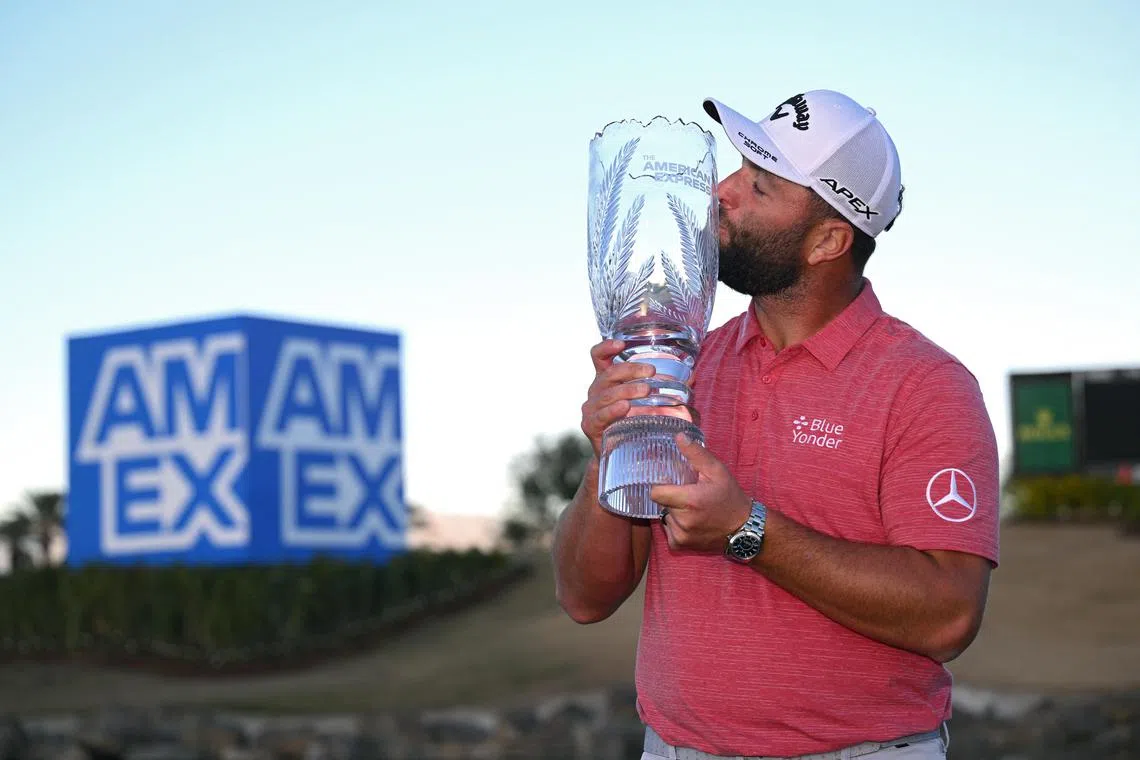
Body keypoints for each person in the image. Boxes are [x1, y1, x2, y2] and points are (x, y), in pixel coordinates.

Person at [552, 89, 1000, 760]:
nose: (722, 192)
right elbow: (585, 598)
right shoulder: (688, 363)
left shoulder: (926, 386)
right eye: (735, 169)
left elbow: (949, 615)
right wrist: (611, 450)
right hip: (676, 749)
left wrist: (746, 528)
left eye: (758, 185)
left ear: (828, 239)